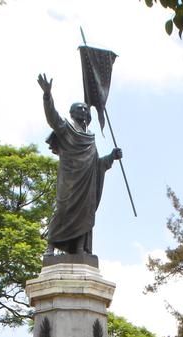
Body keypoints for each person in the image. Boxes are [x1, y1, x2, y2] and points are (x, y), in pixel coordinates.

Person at [37, 73, 122, 256]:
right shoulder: (66, 128)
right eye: (79, 108)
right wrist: (47, 95)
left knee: (86, 213)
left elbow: (96, 164)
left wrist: (111, 157)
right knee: (62, 210)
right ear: (72, 112)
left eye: (85, 109)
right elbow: (52, 118)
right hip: (70, 179)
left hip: (87, 181)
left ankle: (79, 248)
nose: (84, 110)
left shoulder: (90, 137)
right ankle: (50, 247)